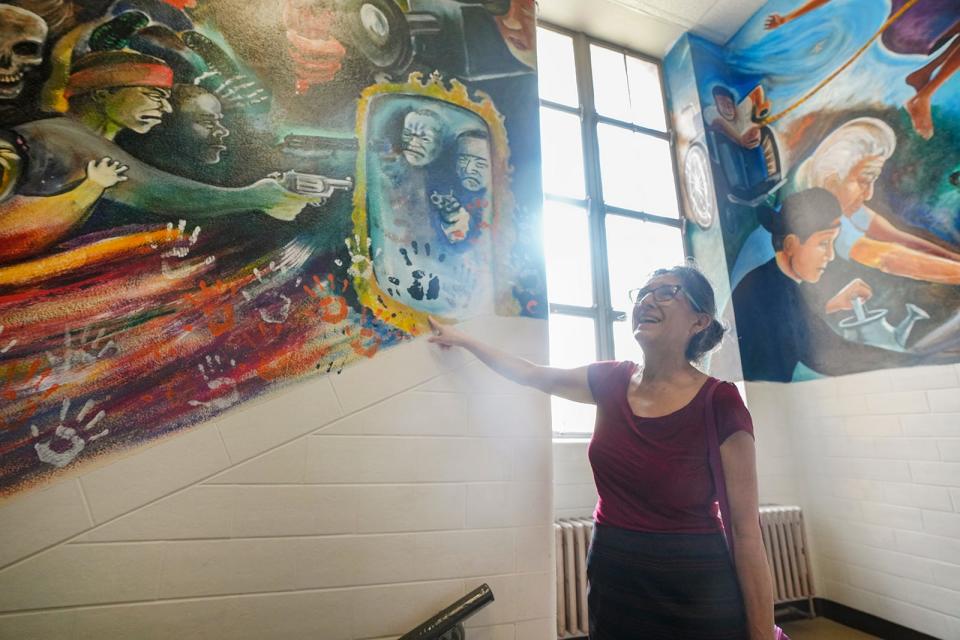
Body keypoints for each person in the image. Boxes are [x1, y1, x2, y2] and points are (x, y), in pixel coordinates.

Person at [428, 265, 778, 639]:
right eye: (643, 291)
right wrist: (465, 340)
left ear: (699, 321)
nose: (646, 299)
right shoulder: (609, 380)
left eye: (665, 292)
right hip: (614, 577)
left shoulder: (720, 402)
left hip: (695, 585)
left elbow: (746, 533)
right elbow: (531, 373)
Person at [732, 188, 923, 382]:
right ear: (790, 245)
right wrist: (912, 361)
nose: (831, 255)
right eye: (824, 243)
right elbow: (832, 354)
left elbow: (790, 321)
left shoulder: (767, 280)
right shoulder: (774, 293)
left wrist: (832, 304)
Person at [765, 0, 959, 139]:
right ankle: (924, 92)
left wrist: (787, 18)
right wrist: (788, 18)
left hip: (921, 34)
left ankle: (924, 79)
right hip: (910, 33)